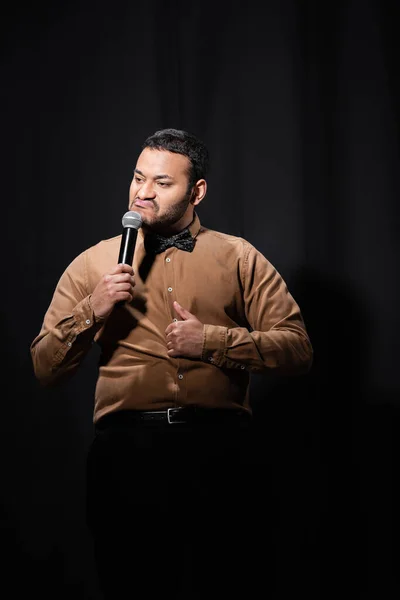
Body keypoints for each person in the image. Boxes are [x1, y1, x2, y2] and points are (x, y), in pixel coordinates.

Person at [31, 128, 313, 599]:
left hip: (221, 456)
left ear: (196, 192)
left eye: (162, 183)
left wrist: (212, 342)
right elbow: (44, 368)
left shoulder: (237, 256)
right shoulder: (91, 264)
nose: (143, 192)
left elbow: (298, 350)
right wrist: (91, 311)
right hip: (127, 460)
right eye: (138, 178)